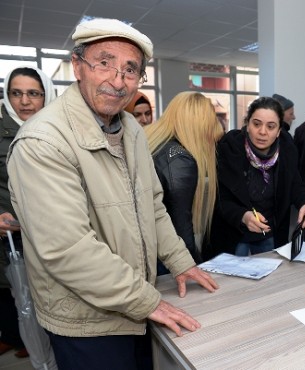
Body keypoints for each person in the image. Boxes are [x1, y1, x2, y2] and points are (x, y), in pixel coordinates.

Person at [6, 18, 218, 370]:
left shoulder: (132, 128)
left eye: (130, 70)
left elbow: (153, 206)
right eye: (104, 63)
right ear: (77, 66)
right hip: (87, 321)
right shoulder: (42, 141)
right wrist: (147, 301)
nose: (118, 81)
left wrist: (181, 261)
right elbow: (67, 248)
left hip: (134, 304)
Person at [206, 96, 305, 258]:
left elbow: (295, 184)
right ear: (247, 124)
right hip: (234, 232)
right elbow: (220, 198)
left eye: (271, 126)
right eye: (256, 124)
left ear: (279, 130)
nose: (262, 132)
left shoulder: (287, 148)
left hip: (270, 231)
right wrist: (243, 216)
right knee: (235, 280)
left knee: (270, 278)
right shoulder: (229, 148)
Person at [0, 67, 56, 360]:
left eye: (33, 93)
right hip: (10, 238)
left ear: (45, 96)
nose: (24, 101)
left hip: (51, 233)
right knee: (18, 298)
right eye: (16, 93)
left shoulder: (57, 132)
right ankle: (24, 343)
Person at [146, 92, 224, 266]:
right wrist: (196, 267)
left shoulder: (153, 142)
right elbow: (180, 229)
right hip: (164, 256)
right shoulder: (180, 160)